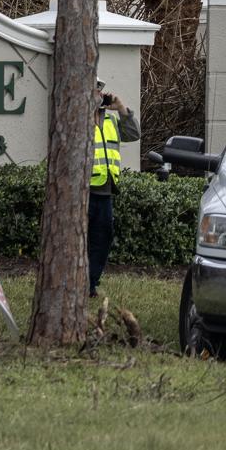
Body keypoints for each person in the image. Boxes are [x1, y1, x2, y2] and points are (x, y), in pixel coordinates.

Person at [89, 76, 140, 296]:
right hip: (84, 191)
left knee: (103, 238)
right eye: (94, 90)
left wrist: (121, 109)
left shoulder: (109, 121)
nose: (99, 95)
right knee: (81, 240)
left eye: (100, 91)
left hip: (105, 191)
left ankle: (91, 283)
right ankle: (80, 283)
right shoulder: (76, 120)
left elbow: (133, 134)